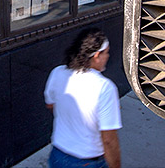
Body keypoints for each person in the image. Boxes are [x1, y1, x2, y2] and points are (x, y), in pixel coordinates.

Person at [44, 28, 122, 168]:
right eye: (107, 52)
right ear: (97, 56)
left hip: (58, 156)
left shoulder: (57, 73)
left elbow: (51, 105)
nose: (108, 56)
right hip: (88, 162)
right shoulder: (105, 87)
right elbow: (109, 140)